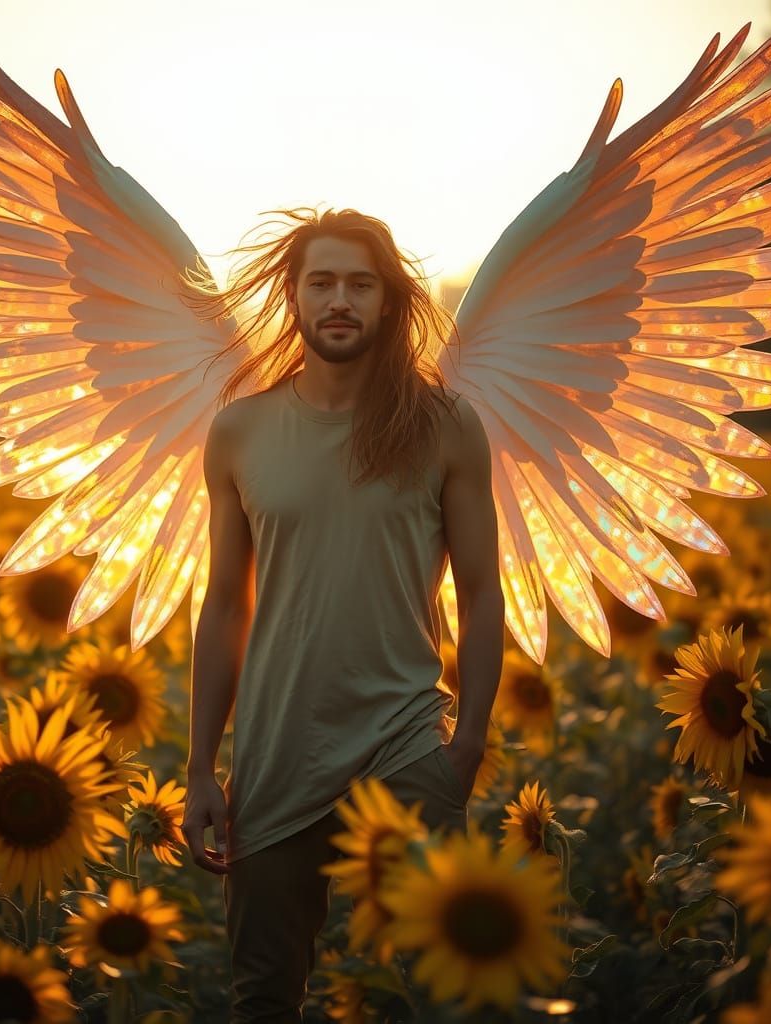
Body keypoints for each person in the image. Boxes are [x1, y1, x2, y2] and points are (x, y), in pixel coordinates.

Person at [179, 208, 504, 1022]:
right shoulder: (239, 431)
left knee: (437, 996)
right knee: (264, 999)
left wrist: (465, 747)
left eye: (360, 284)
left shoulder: (445, 426)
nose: (340, 300)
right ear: (291, 296)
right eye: (321, 281)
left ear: (389, 301)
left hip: (406, 752)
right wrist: (197, 766)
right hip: (273, 760)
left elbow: (482, 591)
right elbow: (224, 605)